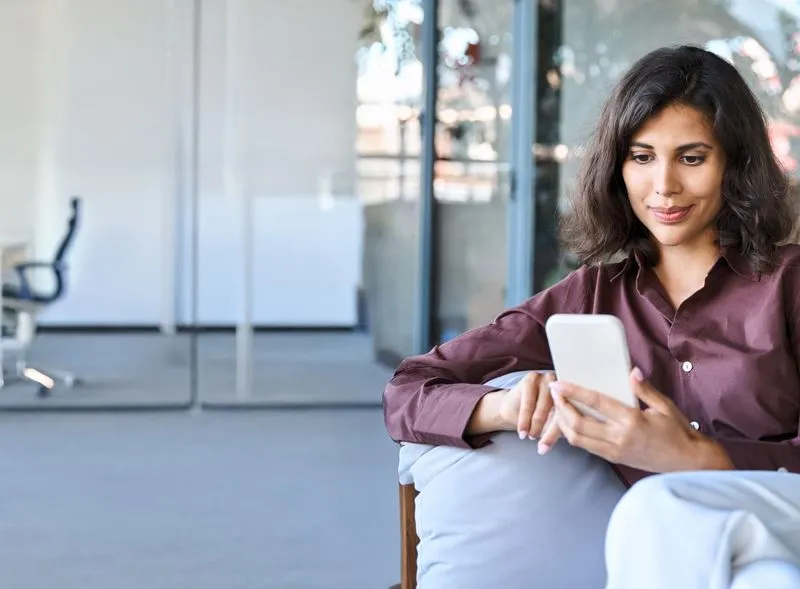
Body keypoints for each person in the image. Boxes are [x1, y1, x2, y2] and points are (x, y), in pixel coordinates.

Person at [383, 44, 800, 586]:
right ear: (617, 166)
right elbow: (407, 390)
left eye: (692, 158)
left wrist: (697, 456)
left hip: (774, 506)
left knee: (657, 505)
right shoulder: (589, 295)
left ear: (734, 163)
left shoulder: (788, 283)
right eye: (642, 157)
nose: (664, 186)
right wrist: (505, 407)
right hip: (701, 556)